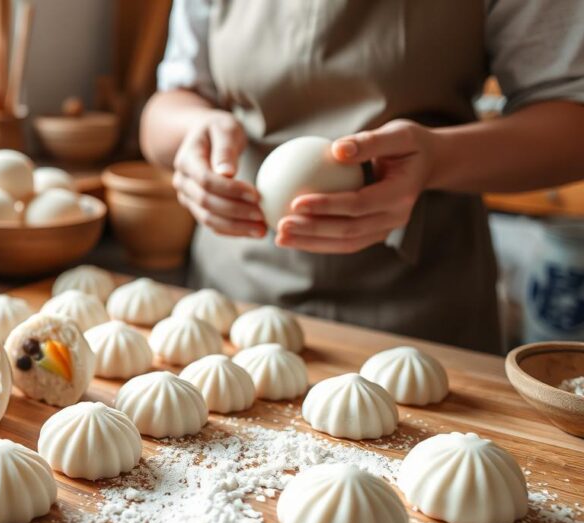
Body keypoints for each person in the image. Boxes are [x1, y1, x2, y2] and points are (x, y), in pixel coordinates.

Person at [141, 0, 584, 353]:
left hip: (423, 311)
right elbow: (168, 105)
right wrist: (192, 133)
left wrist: (437, 158)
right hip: (235, 302)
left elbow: (570, 121)